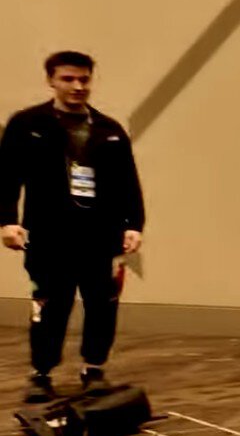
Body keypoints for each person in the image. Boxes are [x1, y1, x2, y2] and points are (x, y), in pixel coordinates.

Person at [0, 51, 145, 403]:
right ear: (51, 80)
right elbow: (6, 178)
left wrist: (134, 224)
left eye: (84, 79)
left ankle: (93, 369)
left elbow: (128, 182)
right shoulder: (27, 125)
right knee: (50, 305)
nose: (77, 86)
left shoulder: (110, 130)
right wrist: (7, 221)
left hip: (101, 236)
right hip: (49, 235)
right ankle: (42, 374)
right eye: (68, 79)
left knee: (102, 304)